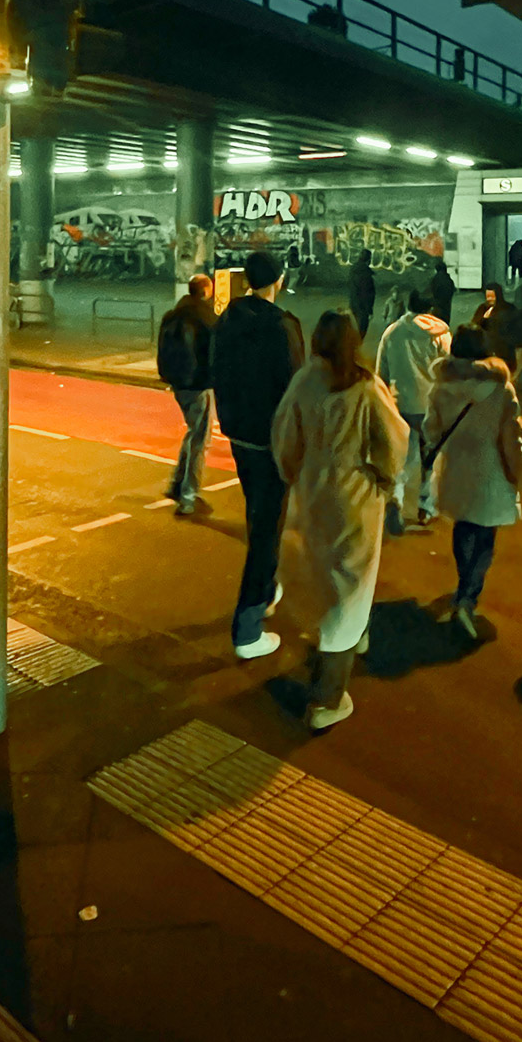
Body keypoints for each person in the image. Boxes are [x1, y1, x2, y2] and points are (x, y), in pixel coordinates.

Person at [273, 310, 409, 731]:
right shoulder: (365, 387)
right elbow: (393, 441)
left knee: (320, 574)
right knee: (352, 583)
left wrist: (296, 473)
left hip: (312, 489)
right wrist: (384, 481)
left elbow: (283, 439)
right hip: (353, 494)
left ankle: (336, 643)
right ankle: (327, 698)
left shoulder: (304, 382)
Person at [210, 249, 305, 660]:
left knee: (259, 515)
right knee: (268, 527)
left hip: (238, 433)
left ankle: (266, 589)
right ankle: (248, 627)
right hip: (271, 438)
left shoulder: (228, 318)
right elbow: (294, 385)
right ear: (278, 281)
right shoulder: (283, 325)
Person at [424, 323, 522, 635]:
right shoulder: (501, 389)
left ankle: (462, 587)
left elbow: (431, 431)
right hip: (490, 471)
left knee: (463, 527)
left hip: (456, 470)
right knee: (485, 538)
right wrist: (514, 471)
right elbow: (510, 437)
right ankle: (468, 596)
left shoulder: (441, 387)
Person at [375, 288, 451, 534]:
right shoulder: (441, 335)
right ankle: (425, 508)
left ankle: (395, 500)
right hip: (432, 406)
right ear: (430, 309)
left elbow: (381, 374)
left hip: (401, 406)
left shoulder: (392, 333)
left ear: (407, 306)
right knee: (430, 459)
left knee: (401, 458)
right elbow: (448, 372)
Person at [157, 273, 216, 517]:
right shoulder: (204, 317)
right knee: (200, 439)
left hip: (178, 383)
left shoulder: (173, 314)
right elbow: (214, 350)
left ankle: (176, 484)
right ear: (205, 290)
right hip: (198, 384)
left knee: (193, 433)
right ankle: (189, 496)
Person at [348, 247, 376, 342]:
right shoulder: (366, 275)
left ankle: (351, 351)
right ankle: (355, 350)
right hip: (363, 308)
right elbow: (367, 294)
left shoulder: (353, 271)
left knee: (353, 329)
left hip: (353, 305)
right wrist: (369, 310)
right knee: (361, 331)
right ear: (369, 260)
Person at [427, 255, 456, 326]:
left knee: (438, 318)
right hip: (447, 302)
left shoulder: (436, 278)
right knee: (446, 316)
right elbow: (453, 289)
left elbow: (432, 289)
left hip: (437, 302)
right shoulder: (448, 278)